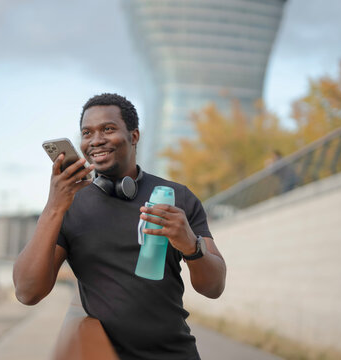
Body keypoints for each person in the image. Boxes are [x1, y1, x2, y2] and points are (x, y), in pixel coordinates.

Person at [13, 93, 226, 360]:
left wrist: (191, 246)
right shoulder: (69, 204)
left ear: (134, 136)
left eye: (108, 129)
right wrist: (53, 207)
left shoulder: (177, 197)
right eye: (87, 132)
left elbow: (214, 287)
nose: (96, 140)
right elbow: (27, 292)